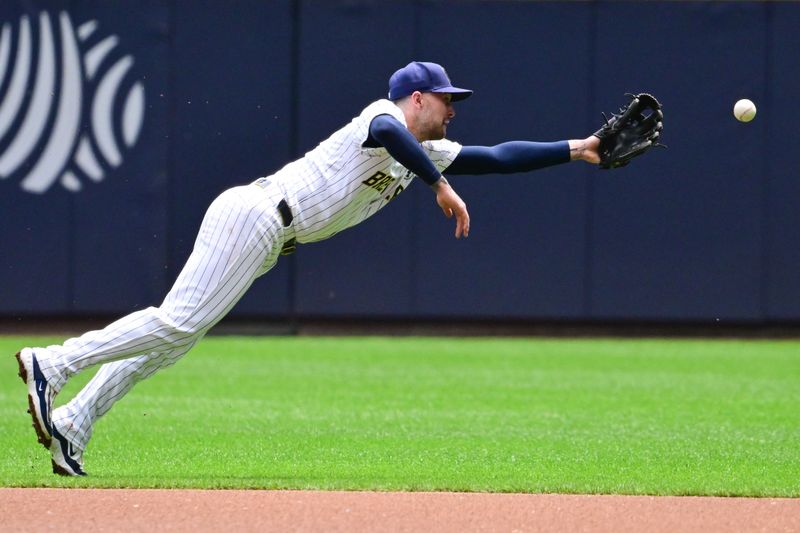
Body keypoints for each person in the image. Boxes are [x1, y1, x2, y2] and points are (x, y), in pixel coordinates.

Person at [16, 61, 602, 476]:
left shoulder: (431, 151)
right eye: (447, 99)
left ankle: (74, 421)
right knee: (176, 323)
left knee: (175, 341)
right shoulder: (383, 116)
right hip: (258, 213)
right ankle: (53, 362)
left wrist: (578, 148)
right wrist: (438, 185)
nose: (454, 109)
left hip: (270, 234)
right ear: (417, 98)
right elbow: (388, 134)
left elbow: (500, 157)